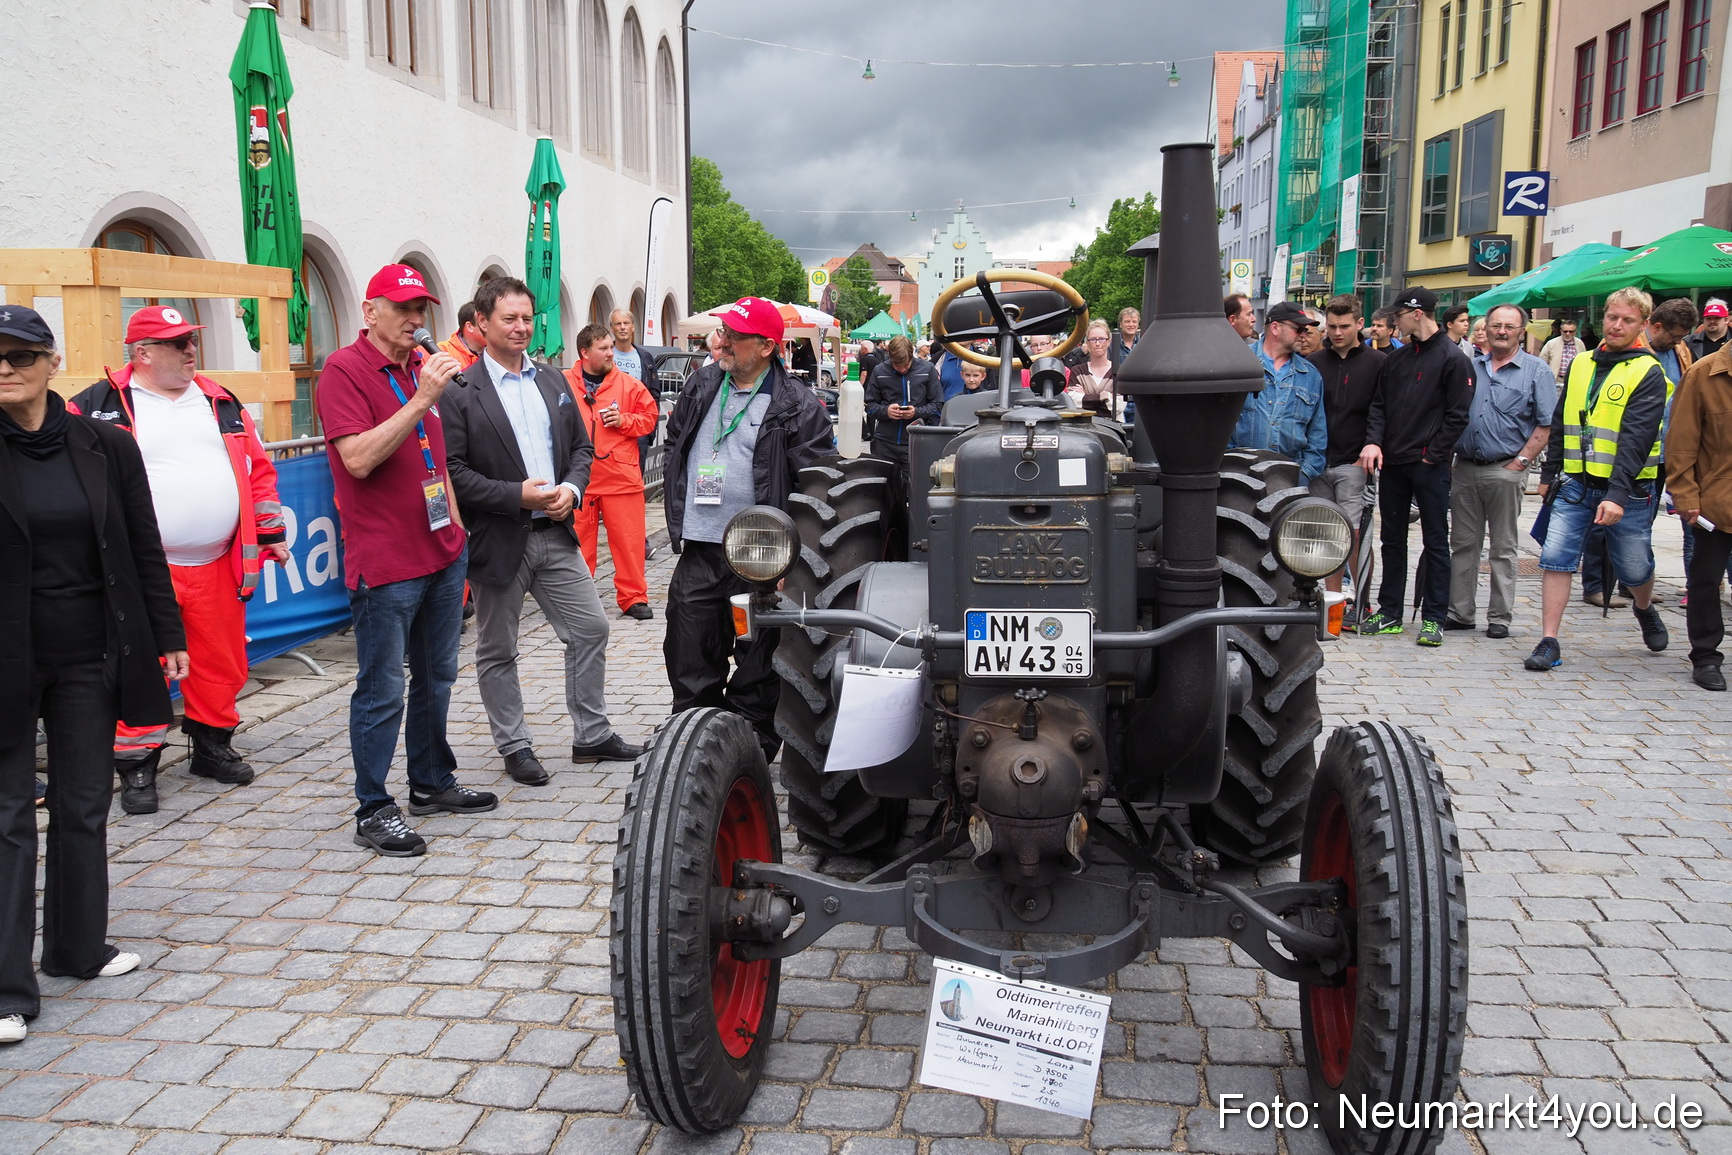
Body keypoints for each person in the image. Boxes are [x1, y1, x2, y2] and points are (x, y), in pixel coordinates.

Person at [0, 306, 187, 1045]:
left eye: (20, 356)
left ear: (51, 361)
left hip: (88, 654)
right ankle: (8, 988)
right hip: (7, 658)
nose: (6, 368)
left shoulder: (104, 443)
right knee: (9, 816)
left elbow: (142, 543)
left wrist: (166, 633)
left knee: (82, 802)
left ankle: (78, 948)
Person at [67, 306, 288, 815]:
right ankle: (138, 765)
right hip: (141, 571)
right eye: (177, 343)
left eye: (191, 340)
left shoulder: (219, 399)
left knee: (220, 662)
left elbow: (258, 471)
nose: (191, 350)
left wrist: (271, 531)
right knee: (139, 667)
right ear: (141, 353)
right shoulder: (96, 405)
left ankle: (211, 747)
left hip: (218, 562)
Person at [314, 265, 498, 857]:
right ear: (370, 312)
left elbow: (436, 460)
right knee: (382, 687)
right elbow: (360, 459)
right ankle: (373, 806)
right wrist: (421, 400)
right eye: (403, 309)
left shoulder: (422, 366)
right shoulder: (344, 371)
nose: (417, 321)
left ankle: (430, 781)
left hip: (441, 552)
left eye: (422, 309)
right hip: (388, 561)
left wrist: (459, 535)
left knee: (437, 677)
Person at [444, 280, 644, 790]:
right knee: (497, 648)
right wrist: (518, 495)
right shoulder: (461, 391)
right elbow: (454, 473)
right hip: (499, 536)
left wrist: (574, 490)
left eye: (527, 318)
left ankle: (591, 735)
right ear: (481, 324)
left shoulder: (553, 380)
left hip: (555, 530)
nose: (521, 327)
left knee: (591, 628)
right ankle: (514, 745)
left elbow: (581, 448)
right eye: (510, 318)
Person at [662, 297, 833, 758]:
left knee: (758, 661)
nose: (722, 342)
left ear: (766, 346)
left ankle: (748, 751)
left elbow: (814, 490)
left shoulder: (798, 405)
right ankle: (693, 747)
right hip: (700, 546)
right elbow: (675, 445)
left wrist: (789, 562)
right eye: (723, 333)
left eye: (735, 336)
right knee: (689, 648)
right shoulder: (702, 385)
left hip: (760, 558)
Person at [1525, 287, 1672, 672]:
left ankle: (1643, 607)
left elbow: (1637, 441)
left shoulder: (1648, 371)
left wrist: (1618, 495)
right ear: (1602, 318)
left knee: (1634, 567)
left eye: (1627, 320)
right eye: (1612, 317)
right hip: (1575, 483)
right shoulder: (1583, 363)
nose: (1617, 325)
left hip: (1629, 491)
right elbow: (1562, 420)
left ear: (1642, 325)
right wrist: (1549, 472)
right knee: (1556, 559)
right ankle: (1549, 640)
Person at [1356, 287, 1474, 647]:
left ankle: (1433, 617)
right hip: (1393, 462)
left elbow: (1458, 416)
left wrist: (1432, 454)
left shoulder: (1453, 359)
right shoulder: (1397, 359)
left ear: (1417, 313)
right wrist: (1375, 441)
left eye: (1399, 315)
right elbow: (1379, 406)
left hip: (1429, 464)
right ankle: (1390, 611)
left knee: (1436, 541)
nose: (1394, 321)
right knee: (1392, 539)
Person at [1443, 304, 1556, 639]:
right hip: (1464, 468)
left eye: (1509, 326)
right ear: (1486, 330)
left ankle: (1500, 616)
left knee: (1503, 548)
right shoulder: (1469, 367)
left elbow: (1546, 424)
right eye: (1496, 326)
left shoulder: (1536, 371)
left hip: (1505, 469)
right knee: (1462, 544)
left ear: (1522, 331)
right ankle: (1460, 612)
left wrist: (1521, 462)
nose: (1502, 331)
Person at [565, 323, 659, 619]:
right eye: (604, 348)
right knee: (576, 545)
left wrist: (624, 420)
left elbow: (650, 418)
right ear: (585, 352)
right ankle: (578, 599)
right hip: (579, 480)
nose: (611, 353)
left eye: (611, 347)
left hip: (621, 476)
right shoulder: (563, 383)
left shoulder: (629, 385)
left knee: (630, 541)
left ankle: (634, 598)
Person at [1308, 294, 1386, 617]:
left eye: (1344, 326)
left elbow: (1381, 410)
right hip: (1318, 459)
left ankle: (1361, 602)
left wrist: (1371, 444)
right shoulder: (1314, 363)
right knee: (1324, 533)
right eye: (1332, 326)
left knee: (1354, 533)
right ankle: (1334, 600)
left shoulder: (1378, 363)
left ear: (1360, 324)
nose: (1337, 333)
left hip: (1355, 460)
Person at [1668, 340, 1732, 689]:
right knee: (1706, 581)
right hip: (1715, 501)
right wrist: (1686, 494)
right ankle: (1706, 655)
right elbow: (1680, 441)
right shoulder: (1703, 373)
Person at [1229, 301, 1327, 484]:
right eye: (1298, 329)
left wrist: (1303, 476)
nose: (1303, 336)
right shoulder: (1240, 363)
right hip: (1238, 479)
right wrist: (1230, 467)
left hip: (1290, 480)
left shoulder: (1310, 376)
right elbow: (1219, 422)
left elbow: (1317, 436)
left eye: (1306, 331)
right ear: (1275, 327)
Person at [1066, 319, 1122, 418]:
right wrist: (1105, 396)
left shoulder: (1119, 371)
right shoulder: (1077, 371)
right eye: (1093, 339)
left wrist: (1085, 396)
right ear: (1087, 343)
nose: (1097, 343)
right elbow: (1073, 402)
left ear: (1108, 342)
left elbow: (1118, 407)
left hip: (1113, 428)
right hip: (1085, 427)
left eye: (1101, 339)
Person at [438, 301, 484, 371]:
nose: (491, 327)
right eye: (482, 322)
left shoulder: (497, 351)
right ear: (469, 327)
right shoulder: (442, 351)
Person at [1540, 318, 1583, 383]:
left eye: (1571, 331)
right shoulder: (1551, 343)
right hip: (1557, 380)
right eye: (1565, 331)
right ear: (1561, 331)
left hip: (1575, 380)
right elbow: (1542, 363)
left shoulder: (1580, 343)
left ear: (1575, 332)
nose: (1568, 333)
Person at [609, 308, 644, 384]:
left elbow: (653, 391)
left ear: (633, 327)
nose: (622, 327)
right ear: (612, 329)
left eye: (626, 323)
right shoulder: (605, 355)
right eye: (618, 324)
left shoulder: (645, 357)